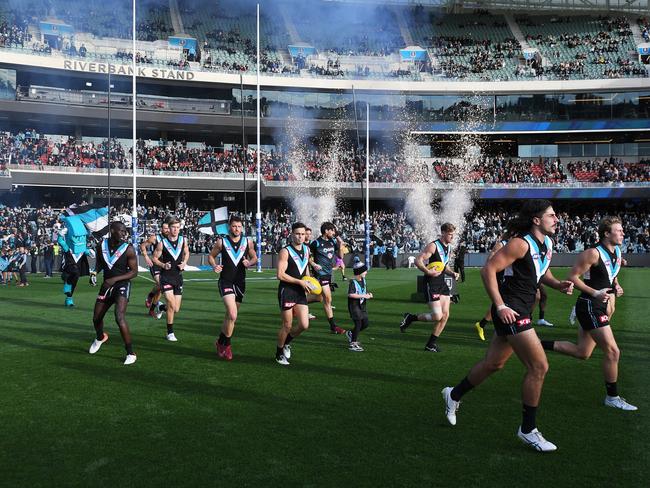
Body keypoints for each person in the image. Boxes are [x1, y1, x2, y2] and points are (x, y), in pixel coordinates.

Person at [441, 200, 574, 452]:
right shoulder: (519, 242)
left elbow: (540, 272)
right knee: (539, 366)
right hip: (511, 310)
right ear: (536, 219)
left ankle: (454, 394)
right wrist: (500, 305)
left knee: (494, 364)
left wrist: (557, 285)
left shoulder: (547, 243)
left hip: (520, 310)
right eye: (551, 215)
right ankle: (528, 430)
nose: (557, 219)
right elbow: (488, 269)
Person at [541, 216, 637, 411]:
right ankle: (612, 397)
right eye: (619, 230)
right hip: (590, 306)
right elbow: (572, 277)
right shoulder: (592, 254)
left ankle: (535, 343)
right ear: (606, 234)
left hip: (600, 305)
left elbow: (612, 274)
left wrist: (616, 286)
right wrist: (595, 292)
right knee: (613, 351)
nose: (623, 233)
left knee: (583, 352)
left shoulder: (617, 251)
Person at [399, 223, 460, 352]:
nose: (452, 236)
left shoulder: (448, 248)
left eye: (453, 234)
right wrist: (427, 271)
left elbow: (443, 266)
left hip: (442, 283)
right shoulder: (433, 246)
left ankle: (430, 344)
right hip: (431, 283)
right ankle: (411, 317)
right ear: (443, 233)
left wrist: (452, 273)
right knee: (437, 316)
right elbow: (418, 260)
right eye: (450, 234)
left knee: (445, 315)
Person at [207, 215, 258, 360]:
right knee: (233, 314)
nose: (237, 229)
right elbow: (211, 256)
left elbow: (254, 256)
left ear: (242, 227)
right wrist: (214, 265)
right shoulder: (222, 241)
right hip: (225, 281)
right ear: (230, 227)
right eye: (234, 226)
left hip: (240, 283)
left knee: (230, 317)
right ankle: (227, 345)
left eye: (239, 226)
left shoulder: (248, 241)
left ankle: (220, 341)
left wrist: (250, 262)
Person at [88, 221, 138, 365]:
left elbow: (134, 272)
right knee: (96, 318)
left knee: (119, 316)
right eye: (121, 231)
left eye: (125, 231)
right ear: (112, 230)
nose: (124, 233)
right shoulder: (101, 245)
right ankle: (100, 337)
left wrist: (115, 279)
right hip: (106, 285)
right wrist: (94, 273)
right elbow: (99, 264)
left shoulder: (128, 249)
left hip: (122, 284)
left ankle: (130, 352)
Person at [275, 222, 313, 366]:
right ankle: (278, 354)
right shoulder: (285, 251)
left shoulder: (307, 249)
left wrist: (309, 281)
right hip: (287, 291)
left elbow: (306, 269)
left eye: (303, 234)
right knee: (287, 325)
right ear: (292, 234)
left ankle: (286, 343)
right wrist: (300, 282)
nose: (300, 237)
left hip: (300, 290)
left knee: (304, 324)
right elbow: (280, 275)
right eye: (297, 234)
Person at [152, 217, 189, 342]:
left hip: (178, 278)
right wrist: (163, 265)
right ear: (169, 228)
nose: (176, 230)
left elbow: (186, 252)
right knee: (172, 304)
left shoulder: (183, 240)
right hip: (166, 278)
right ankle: (170, 332)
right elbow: (154, 258)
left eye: (178, 227)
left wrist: (184, 263)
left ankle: (161, 307)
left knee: (176, 309)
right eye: (174, 227)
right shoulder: (162, 242)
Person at [309, 222, 346, 335]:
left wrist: (340, 245)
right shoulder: (316, 243)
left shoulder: (333, 242)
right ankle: (333, 326)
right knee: (328, 299)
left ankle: (297, 302)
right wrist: (313, 264)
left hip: (328, 274)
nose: (334, 233)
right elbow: (307, 256)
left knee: (319, 298)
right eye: (332, 230)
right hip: (319, 274)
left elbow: (340, 256)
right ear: (326, 231)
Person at [474, 234, 510, 341]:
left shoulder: (518, 244)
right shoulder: (501, 244)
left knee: (501, 302)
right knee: (500, 301)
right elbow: (488, 264)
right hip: (499, 276)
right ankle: (482, 324)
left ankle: (483, 325)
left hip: (509, 277)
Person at [140, 220, 170, 318]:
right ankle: (151, 296)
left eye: (168, 228)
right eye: (165, 228)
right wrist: (146, 257)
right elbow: (142, 245)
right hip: (155, 264)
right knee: (161, 284)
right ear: (161, 229)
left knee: (161, 288)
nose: (167, 230)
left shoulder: (171, 239)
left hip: (165, 265)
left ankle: (152, 308)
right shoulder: (155, 238)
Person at [345, 261, 372, 352]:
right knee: (358, 324)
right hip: (354, 306)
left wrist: (368, 294)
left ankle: (351, 333)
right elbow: (350, 295)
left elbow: (363, 291)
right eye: (365, 271)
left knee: (365, 323)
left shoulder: (363, 280)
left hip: (362, 306)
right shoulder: (353, 282)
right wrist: (364, 296)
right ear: (359, 272)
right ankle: (353, 343)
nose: (366, 272)